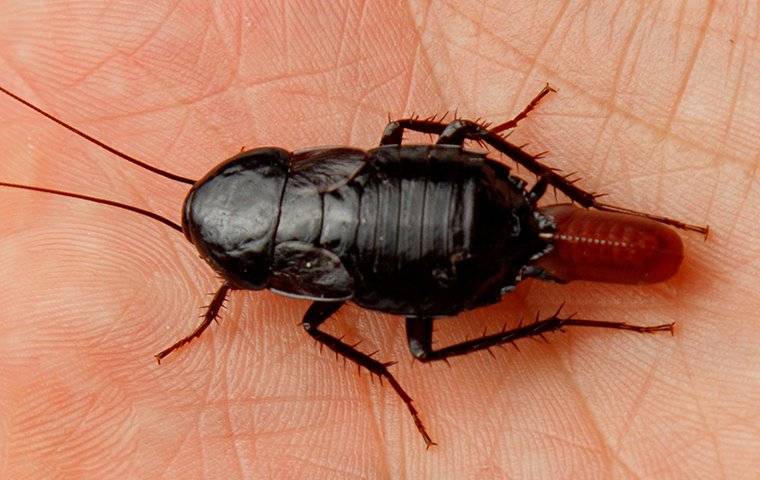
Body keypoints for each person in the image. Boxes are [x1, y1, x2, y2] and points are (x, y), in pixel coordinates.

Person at [1, 2, 757, 478]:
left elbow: (308, 305)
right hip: (426, 189)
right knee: (435, 137)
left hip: (425, 250)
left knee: (419, 350)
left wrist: (382, 373)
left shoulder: (283, 288)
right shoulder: (289, 181)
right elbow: (393, 146)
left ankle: (565, 302)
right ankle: (577, 250)